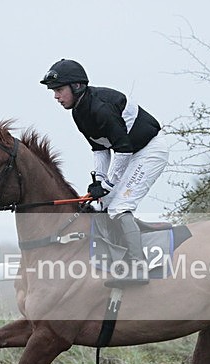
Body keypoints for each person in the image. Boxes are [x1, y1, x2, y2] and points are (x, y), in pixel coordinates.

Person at [40, 59, 169, 287]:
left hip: (148, 152)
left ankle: (138, 266)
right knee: (101, 205)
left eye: (59, 90)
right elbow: (100, 149)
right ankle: (117, 259)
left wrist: (108, 184)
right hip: (129, 153)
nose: (56, 97)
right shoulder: (79, 113)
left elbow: (122, 149)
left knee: (119, 208)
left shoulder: (101, 107)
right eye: (54, 91)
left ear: (77, 86)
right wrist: (99, 181)